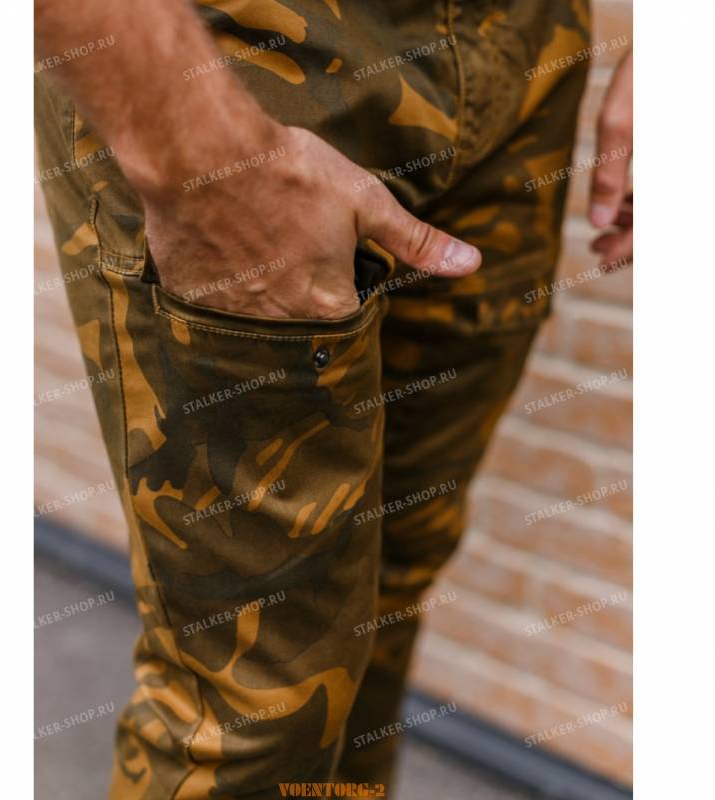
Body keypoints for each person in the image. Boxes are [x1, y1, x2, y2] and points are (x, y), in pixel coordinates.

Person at [35, 1, 632, 797]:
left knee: (385, 597)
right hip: (241, 66)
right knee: (253, 701)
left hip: (525, 60)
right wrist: (204, 154)